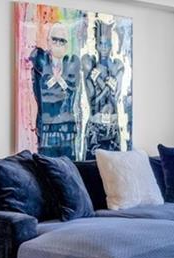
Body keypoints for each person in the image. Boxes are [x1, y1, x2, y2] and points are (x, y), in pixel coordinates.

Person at [31, 22, 81, 157]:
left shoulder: (72, 63)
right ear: (48, 41)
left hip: (67, 129)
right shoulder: (40, 62)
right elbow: (42, 91)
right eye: (55, 39)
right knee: (46, 164)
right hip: (47, 128)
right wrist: (59, 81)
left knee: (69, 165)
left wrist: (58, 81)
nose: (58, 43)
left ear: (66, 45)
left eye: (62, 40)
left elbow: (71, 90)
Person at [82, 17, 127, 156]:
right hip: (95, 127)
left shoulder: (117, 65)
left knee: (116, 166)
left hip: (113, 127)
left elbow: (115, 99)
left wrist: (100, 82)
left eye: (107, 44)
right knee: (91, 165)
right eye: (101, 44)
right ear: (96, 45)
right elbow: (93, 102)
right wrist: (108, 86)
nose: (104, 48)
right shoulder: (89, 63)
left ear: (111, 45)